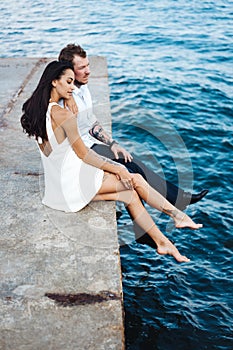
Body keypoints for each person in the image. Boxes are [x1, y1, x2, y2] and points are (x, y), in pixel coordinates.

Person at [21, 60, 203, 263]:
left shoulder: (36, 110)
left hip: (56, 190)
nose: (73, 87)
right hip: (71, 187)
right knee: (133, 178)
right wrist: (117, 167)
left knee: (129, 194)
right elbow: (84, 154)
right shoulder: (63, 114)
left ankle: (163, 242)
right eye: (69, 82)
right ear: (54, 81)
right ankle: (176, 216)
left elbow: (53, 151)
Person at [58, 43, 208, 211]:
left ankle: (179, 199)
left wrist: (113, 144)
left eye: (88, 65)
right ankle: (159, 217)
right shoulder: (65, 99)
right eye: (82, 67)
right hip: (78, 154)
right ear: (69, 72)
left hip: (90, 145)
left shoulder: (83, 89)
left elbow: (91, 123)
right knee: (129, 173)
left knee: (132, 161)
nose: (88, 71)